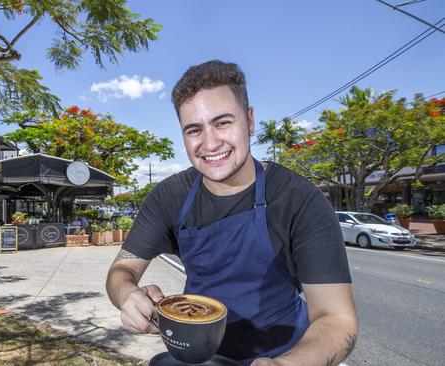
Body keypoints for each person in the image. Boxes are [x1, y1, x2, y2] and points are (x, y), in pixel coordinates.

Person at [106, 60, 357, 366]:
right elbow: (122, 271)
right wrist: (127, 295)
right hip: (199, 354)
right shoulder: (170, 195)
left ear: (249, 121)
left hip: (290, 353)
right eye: (194, 129)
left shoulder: (300, 200)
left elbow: (337, 319)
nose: (210, 143)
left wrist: (286, 364)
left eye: (223, 122)